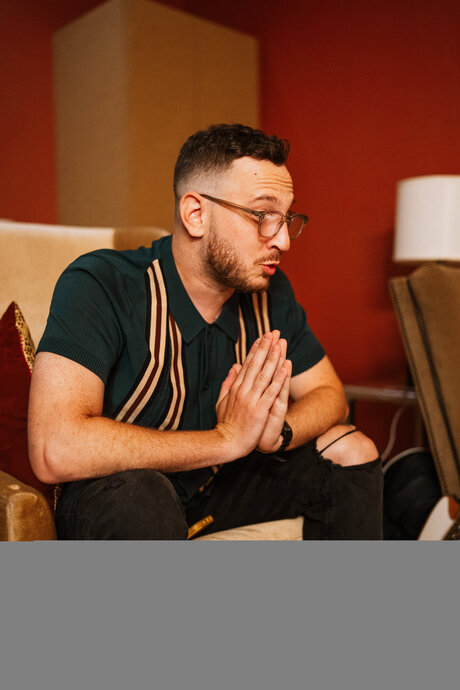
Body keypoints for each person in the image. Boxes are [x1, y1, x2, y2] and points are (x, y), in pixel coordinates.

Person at [28, 123, 382, 540]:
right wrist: (226, 439)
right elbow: (55, 448)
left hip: (219, 486)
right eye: (263, 216)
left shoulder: (270, 292)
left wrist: (280, 433)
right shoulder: (101, 283)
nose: (284, 240)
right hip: (120, 493)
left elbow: (330, 394)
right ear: (196, 214)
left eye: (286, 218)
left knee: (352, 449)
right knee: (142, 497)